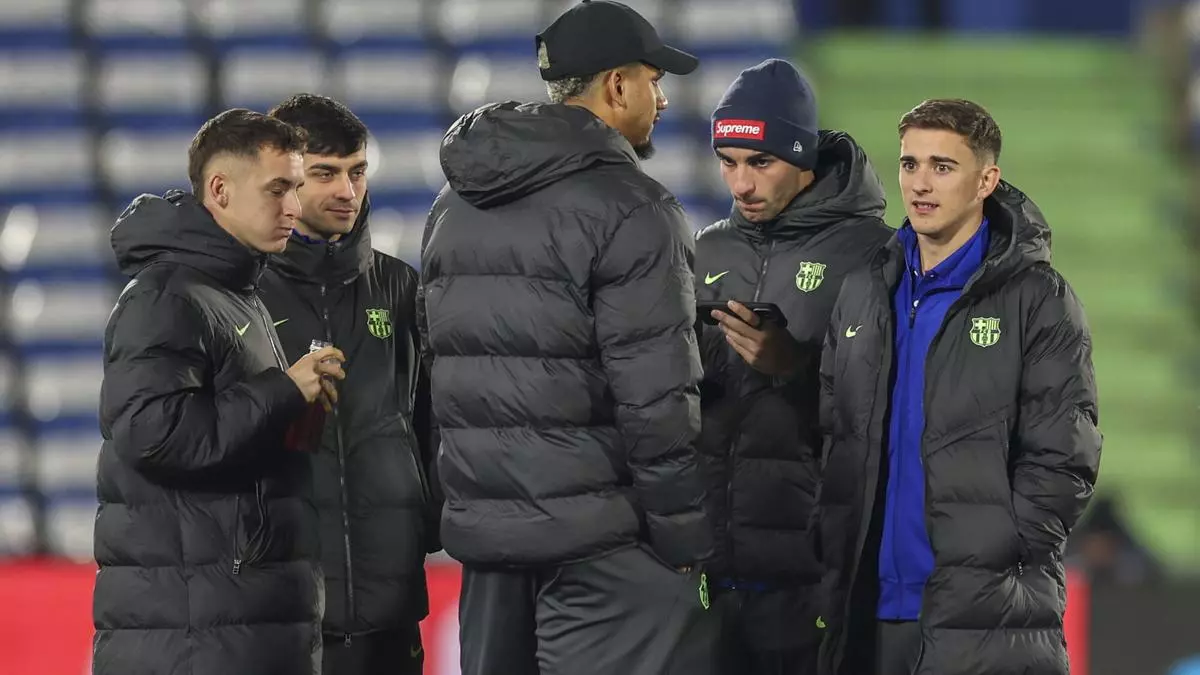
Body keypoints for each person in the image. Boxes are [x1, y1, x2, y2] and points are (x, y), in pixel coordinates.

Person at [417, 2, 715, 673]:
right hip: (600, 547)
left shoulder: (452, 206)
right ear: (617, 86)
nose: (663, 100)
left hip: (488, 544)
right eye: (653, 81)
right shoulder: (634, 209)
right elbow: (656, 399)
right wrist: (684, 537)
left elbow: (438, 371)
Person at [813, 98, 1102, 675]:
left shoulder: (1037, 298)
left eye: (942, 167)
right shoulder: (866, 289)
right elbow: (833, 428)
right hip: (868, 613)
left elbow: (1065, 456)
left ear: (986, 181)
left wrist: (1001, 555)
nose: (920, 183)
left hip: (987, 616)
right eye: (909, 164)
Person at [93, 108, 347, 675]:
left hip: (235, 620)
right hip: (196, 635)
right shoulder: (166, 297)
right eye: (277, 188)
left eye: (296, 188)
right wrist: (283, 391)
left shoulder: (233, 293)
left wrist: (297, 413)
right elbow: (155, 437)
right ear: (220, 190)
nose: (293, 206)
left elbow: (230, 436)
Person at [694, 58, 893, 675]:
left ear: (802, 156)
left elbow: (888, 407)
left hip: (812, 576)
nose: (741, 184)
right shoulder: (707, 248)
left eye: (761, 162)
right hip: (708, 572)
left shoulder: (873, 253)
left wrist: (795, 366)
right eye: (728, 162)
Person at [260, 93, 440, 675]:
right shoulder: (241, 295)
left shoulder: (400, 286)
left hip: (392, 602)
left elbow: (429, 424)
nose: (347, 190)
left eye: (357, 172)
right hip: (280, 607)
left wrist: (427, 523)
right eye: (326, 174)